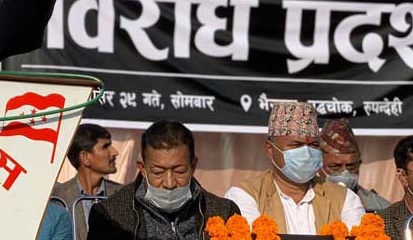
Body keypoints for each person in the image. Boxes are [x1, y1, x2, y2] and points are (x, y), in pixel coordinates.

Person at [87, 120, 240, 240]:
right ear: (142, 168)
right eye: (158, 172)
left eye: (179, 171)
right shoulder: (110, 216)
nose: (169, 183)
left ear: (193, 166)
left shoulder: (223, 212)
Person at [225, 102, 364, 234]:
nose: (307, 153)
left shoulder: (345, 199)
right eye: (296, 145)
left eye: (314, 145)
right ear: (270, 150)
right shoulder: (245, 196)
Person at [52, 124, 121, 240]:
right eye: (105, 146)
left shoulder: (124, 194)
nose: (115, 152)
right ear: (85, 157)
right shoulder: (59, 198)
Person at [319, 118, 390, 211]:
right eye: (335, 167)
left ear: (359, 164)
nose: (345, 172)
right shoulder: (305, 203)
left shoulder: (380, 207)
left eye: (351, 166)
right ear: (318, 166)